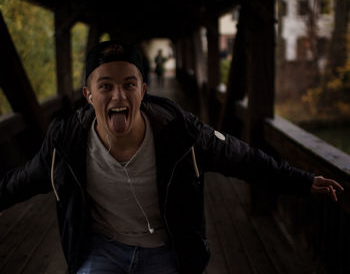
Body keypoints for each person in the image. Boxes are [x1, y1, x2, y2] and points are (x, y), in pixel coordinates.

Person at [0, 41, 344, 274]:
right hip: (102, 251)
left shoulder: (181, 134)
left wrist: (302, 180)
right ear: (88, 95)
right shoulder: (67, 140)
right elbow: (21, 181)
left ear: (143, 90)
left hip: (167, 252)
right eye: (105, 86)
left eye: (129, 84)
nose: (118, 94)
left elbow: (245, 159)